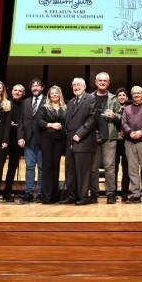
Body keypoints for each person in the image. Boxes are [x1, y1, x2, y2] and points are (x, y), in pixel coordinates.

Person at [61, 77, 97, 205]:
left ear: (84, 86)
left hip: (83, 139)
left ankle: (83, 196)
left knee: (82, 170)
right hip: (70, 139)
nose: (76, 87)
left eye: (78, 85)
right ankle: (72, 195)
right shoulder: (71, 101)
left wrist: (79, 134)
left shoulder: (91, 98)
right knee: (70, 169)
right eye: (74, 85)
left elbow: (92, 118)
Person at [90, 72, 123, 204]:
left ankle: (110, 194)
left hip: (109, 136)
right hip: (92, 137)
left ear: (108, 83)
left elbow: (121, 116)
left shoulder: (113, 98)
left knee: (110, 167)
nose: (102, 83)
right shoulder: (89, 97)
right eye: (100, 80)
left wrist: (114, 116)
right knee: (93, 168)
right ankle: (94, 193)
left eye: (105, 81)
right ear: (96, 82)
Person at [37, 85, 67, 204]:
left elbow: (67, 123)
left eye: (56, 93)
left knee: (56, 166)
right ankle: (46, 196)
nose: (54, 94)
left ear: (60, 94)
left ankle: (54, 195)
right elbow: (39, 121)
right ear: (49, 95)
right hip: (47, 139)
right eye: (52, 93)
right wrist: (51, 125)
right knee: (47, 166)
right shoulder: (44, 107)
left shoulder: (65, 107)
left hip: (60, 140)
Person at [17, 78, 45, 202]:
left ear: (42, 88)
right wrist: (20, 137)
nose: (35, 88)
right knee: (29, 167)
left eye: (38, 86)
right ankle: (28, 192)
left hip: (43, 140)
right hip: (28, 139)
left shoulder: (47, 100)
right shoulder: (25, 102)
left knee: (42, 168)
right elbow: (21, 121)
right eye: (33, 86)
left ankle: (41, 193)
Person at [4, 83, 25, 202]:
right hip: (4, 138)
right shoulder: (6, 103)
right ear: (11, 91)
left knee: (12, 167)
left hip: (17, 139)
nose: (17, 92)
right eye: (15, 90)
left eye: (20, 91)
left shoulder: (25, 105)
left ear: (23, 93)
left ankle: (7, 192)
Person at [113, 87, 130, 201]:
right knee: (114, 168)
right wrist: (116, 134)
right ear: (116, 98)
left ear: (127, 97)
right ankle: (113, 193)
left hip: (127, 141)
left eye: (123, 95)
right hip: (115, 141)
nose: (122, 97)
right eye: (119, 95)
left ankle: (125, 193)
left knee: (126, 168)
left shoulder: (131, 109)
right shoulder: (112, 109)